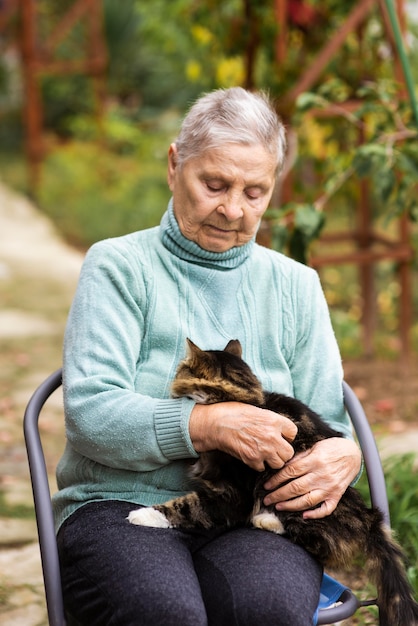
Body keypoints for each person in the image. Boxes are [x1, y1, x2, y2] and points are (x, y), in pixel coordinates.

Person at [53, 87, 362, 626]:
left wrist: (346, 455)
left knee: (265, 610)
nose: (233, 209)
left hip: (252, 513)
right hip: (119, 504)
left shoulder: (296, 286)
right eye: (214, 184)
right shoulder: (119, 267)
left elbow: (328, 422)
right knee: (165, 612)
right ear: (175, 165)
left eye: (255, 191)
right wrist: (209, 424)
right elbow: (90, 415)